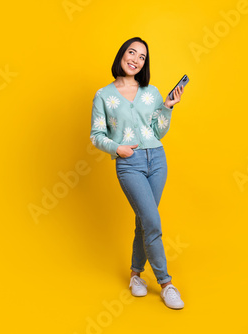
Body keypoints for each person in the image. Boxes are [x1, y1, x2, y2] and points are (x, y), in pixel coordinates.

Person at [89, 37, 185, 309]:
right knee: (152, 222)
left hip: (157, 159)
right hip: (129, 164)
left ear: (144, 63)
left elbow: (158, 131)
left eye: (142, 57)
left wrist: (167, 107)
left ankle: (135, 275)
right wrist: (117, 148)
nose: (136, 59)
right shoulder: (104, 95)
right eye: (132, 52)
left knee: (145, 221)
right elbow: (96, 135)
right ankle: (166, 284)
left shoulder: (151, 92)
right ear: (122, 55)